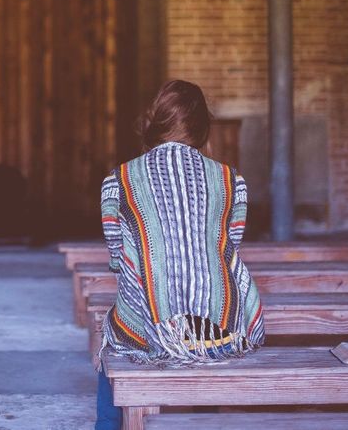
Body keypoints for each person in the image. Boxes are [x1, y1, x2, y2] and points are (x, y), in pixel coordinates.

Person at [95, 80, 265, 430]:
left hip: (150, 332)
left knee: (112, 342)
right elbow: (230, 248)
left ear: (153, 124)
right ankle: (206, 416)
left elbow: (117, 259)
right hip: (219, 328)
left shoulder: (120, 180)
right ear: (203, 128)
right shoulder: (233, 181)